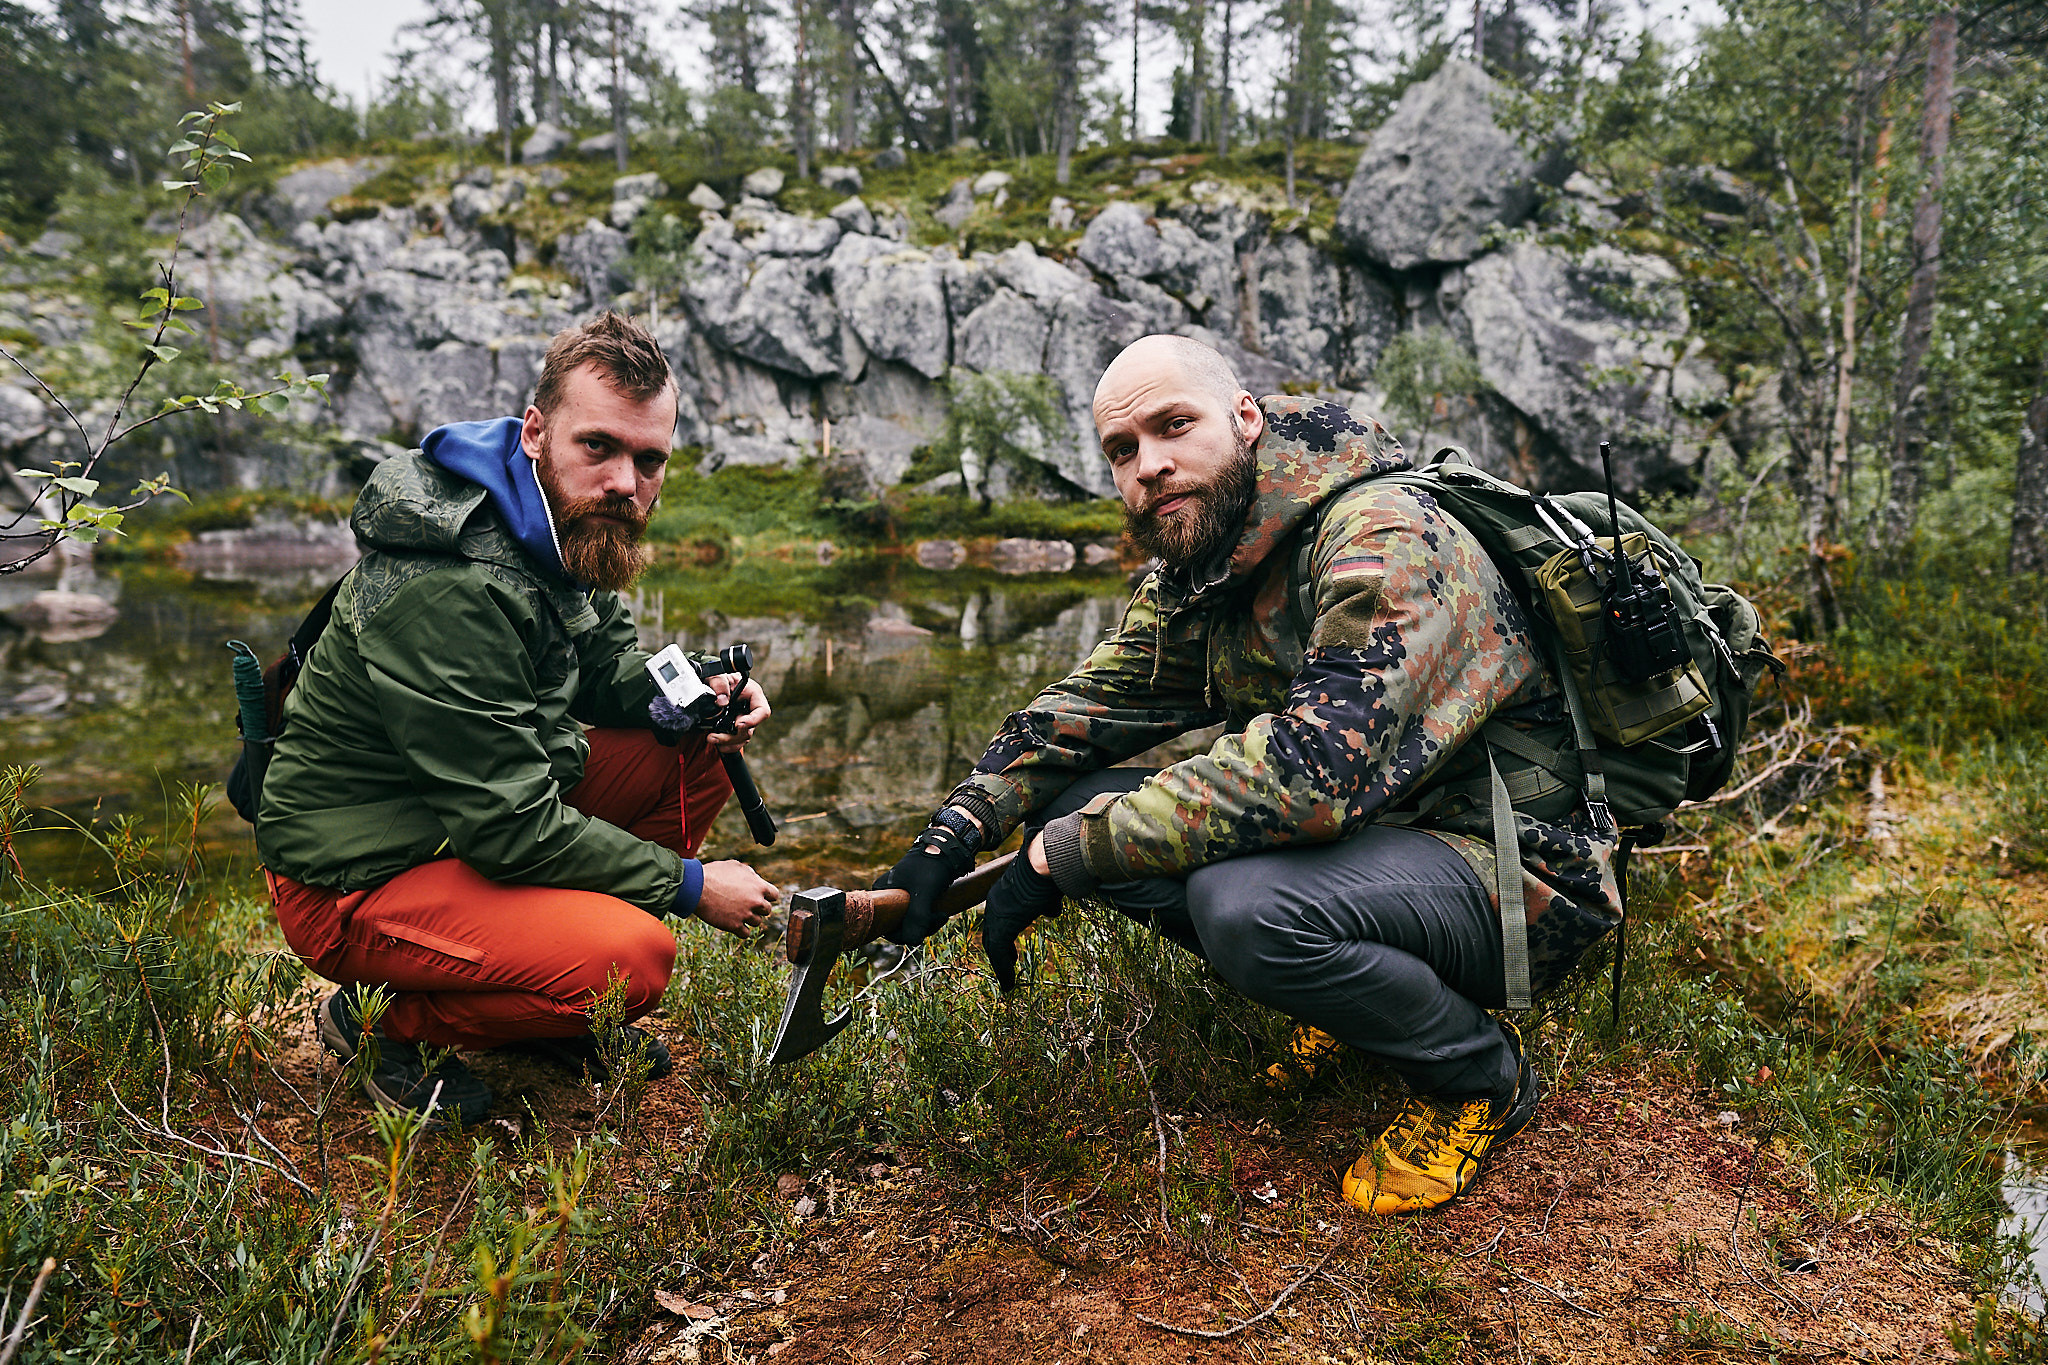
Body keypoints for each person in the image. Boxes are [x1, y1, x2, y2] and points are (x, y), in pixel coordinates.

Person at [877, 334, 1621, 1215]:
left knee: (1245, 905)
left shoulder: (1384, 536)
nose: (1149, 466)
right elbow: (1084, 714)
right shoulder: (1215, 560)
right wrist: (953, 832)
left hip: (1516, 877)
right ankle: (1356, 998)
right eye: (1123, 450)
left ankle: (1481, 1079)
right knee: (1085, 804)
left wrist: (1056, 858)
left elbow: (1308, 775)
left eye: (1173, 426)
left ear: (1245, 419)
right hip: (1387, 848)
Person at [257, 312, 782, 1126]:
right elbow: (510, 827)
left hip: (449, 829)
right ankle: (378, 1024)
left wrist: (700, 690)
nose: (624, 482)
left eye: (650, 461)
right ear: (538, 431)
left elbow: (609, 671)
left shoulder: (561, 528)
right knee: (636, 959)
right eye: (598, 447)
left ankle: (548, 1005)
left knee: (695, 745)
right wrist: (690, 884)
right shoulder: (454, 586)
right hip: (353, 875)